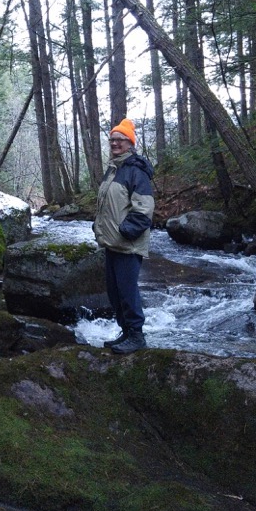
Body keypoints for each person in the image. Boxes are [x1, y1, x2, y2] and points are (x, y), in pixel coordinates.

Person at [93, 118, 154, 355]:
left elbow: (144, 209)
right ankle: (126, 333)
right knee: (115, 293)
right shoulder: (114, 169)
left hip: (127, 245)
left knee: (128, 292)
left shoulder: (135, 171)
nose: (115, 143)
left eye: (121, 139)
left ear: (130, 143)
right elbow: (107, 205)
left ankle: (137, 336)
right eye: (113, 139)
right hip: (111, 243)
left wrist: (125, 232)